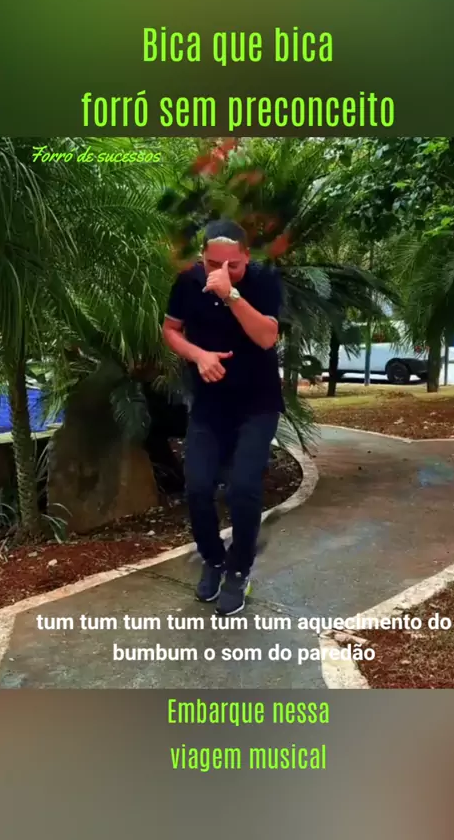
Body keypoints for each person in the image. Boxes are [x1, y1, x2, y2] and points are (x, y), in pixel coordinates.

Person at [162, 219, 285, 615]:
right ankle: (214, 560)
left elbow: (267, 337)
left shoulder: (264, 281)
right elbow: (170, 330)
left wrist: (231, 294)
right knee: (198, 487)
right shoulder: (188, 283)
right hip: (209, 406)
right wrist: (198, 355)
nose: (222, 270)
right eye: (214, 263)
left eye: (233, 264)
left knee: (243, 488)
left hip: (258, 404)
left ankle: (239, 569)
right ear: (202, 257)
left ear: (246, 256)